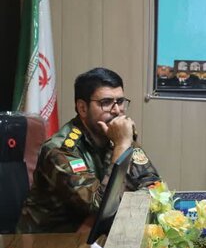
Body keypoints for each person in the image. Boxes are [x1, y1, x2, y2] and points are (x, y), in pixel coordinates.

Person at [16, 68, 160, 233]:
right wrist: (121, 146)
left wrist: (124, 198)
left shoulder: (118, 136)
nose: (117, 110)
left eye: (120, 101)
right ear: (82, 108)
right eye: (106, 102)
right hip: (48, 241)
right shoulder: (60, 150)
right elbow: (100, 206)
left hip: (92, 234)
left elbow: (154, 184)